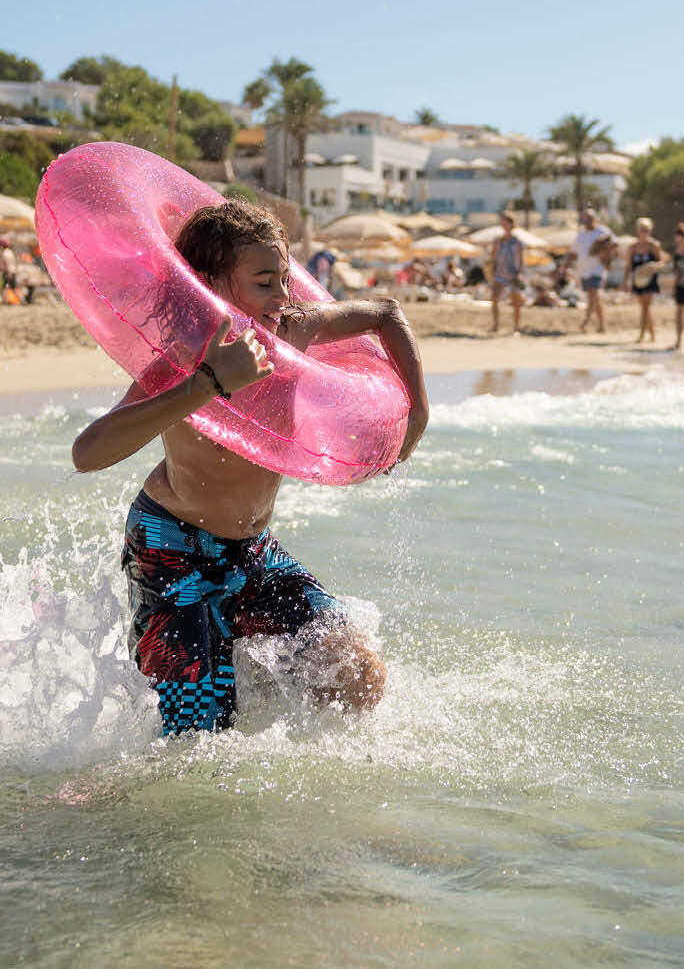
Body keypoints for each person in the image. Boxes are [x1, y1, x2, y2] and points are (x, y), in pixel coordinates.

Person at [70, 199, 426, 735]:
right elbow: (88, 453)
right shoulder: (181, 356)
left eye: (284, 278)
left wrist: (417, 413)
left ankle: (246, 669)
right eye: (265, 283)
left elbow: (386, 314)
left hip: (252, 549)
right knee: (197, 735)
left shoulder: (294, 331)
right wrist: (207, 384)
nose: (284, 298)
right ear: (210, 281)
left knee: (356, 676)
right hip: (173, 550)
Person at [620, 217, 666, 344]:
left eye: (646, 230)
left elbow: (662, 262)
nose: (644, 232)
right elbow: (628, 266)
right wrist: (625, 282)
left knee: (645, 307)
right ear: (638, 231)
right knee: (644, 307)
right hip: (637, 280)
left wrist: (652, 266)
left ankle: (642, 334)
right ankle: (652, 334)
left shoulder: (653, 246)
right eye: (642, 230)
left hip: (650, 279)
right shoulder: (632, 247)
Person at [573, 209, 612, 333]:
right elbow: (574, 252)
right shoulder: (581, 234)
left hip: (598, 270)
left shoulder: (603, 231)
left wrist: (603, 253)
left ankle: (590, 324)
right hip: (584, 271)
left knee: (594, 296)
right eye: (584, 218)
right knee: (593, 298)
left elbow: (614, 244)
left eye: (588, 218)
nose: (586, 221)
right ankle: (596, 325)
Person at [487, 211, 526, 334]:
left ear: (510, 223)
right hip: (499, 273)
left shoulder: (517, 242)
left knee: (516, 302)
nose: (502, 224)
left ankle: (516, 328)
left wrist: (519, 274)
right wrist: (491, 270)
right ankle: (496, 325)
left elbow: (521, 261)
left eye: (504, 221)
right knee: (494, 299)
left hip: (513, 274)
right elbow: (493, 257)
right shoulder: (498, 240)